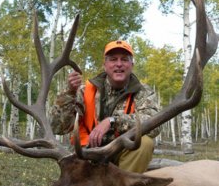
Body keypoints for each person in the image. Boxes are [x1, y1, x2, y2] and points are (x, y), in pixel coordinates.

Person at [50, 40, 161, 173]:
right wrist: (69, 93)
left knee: (145, 143)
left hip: (122, 154)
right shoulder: (84, 91)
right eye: (113, 59)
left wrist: (113, 121)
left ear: (132, 65)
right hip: (87, 153)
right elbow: (57, 127)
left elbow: (154, 125)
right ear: (105, 65)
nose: (119, 64)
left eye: (124, 59)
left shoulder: (144, 92)